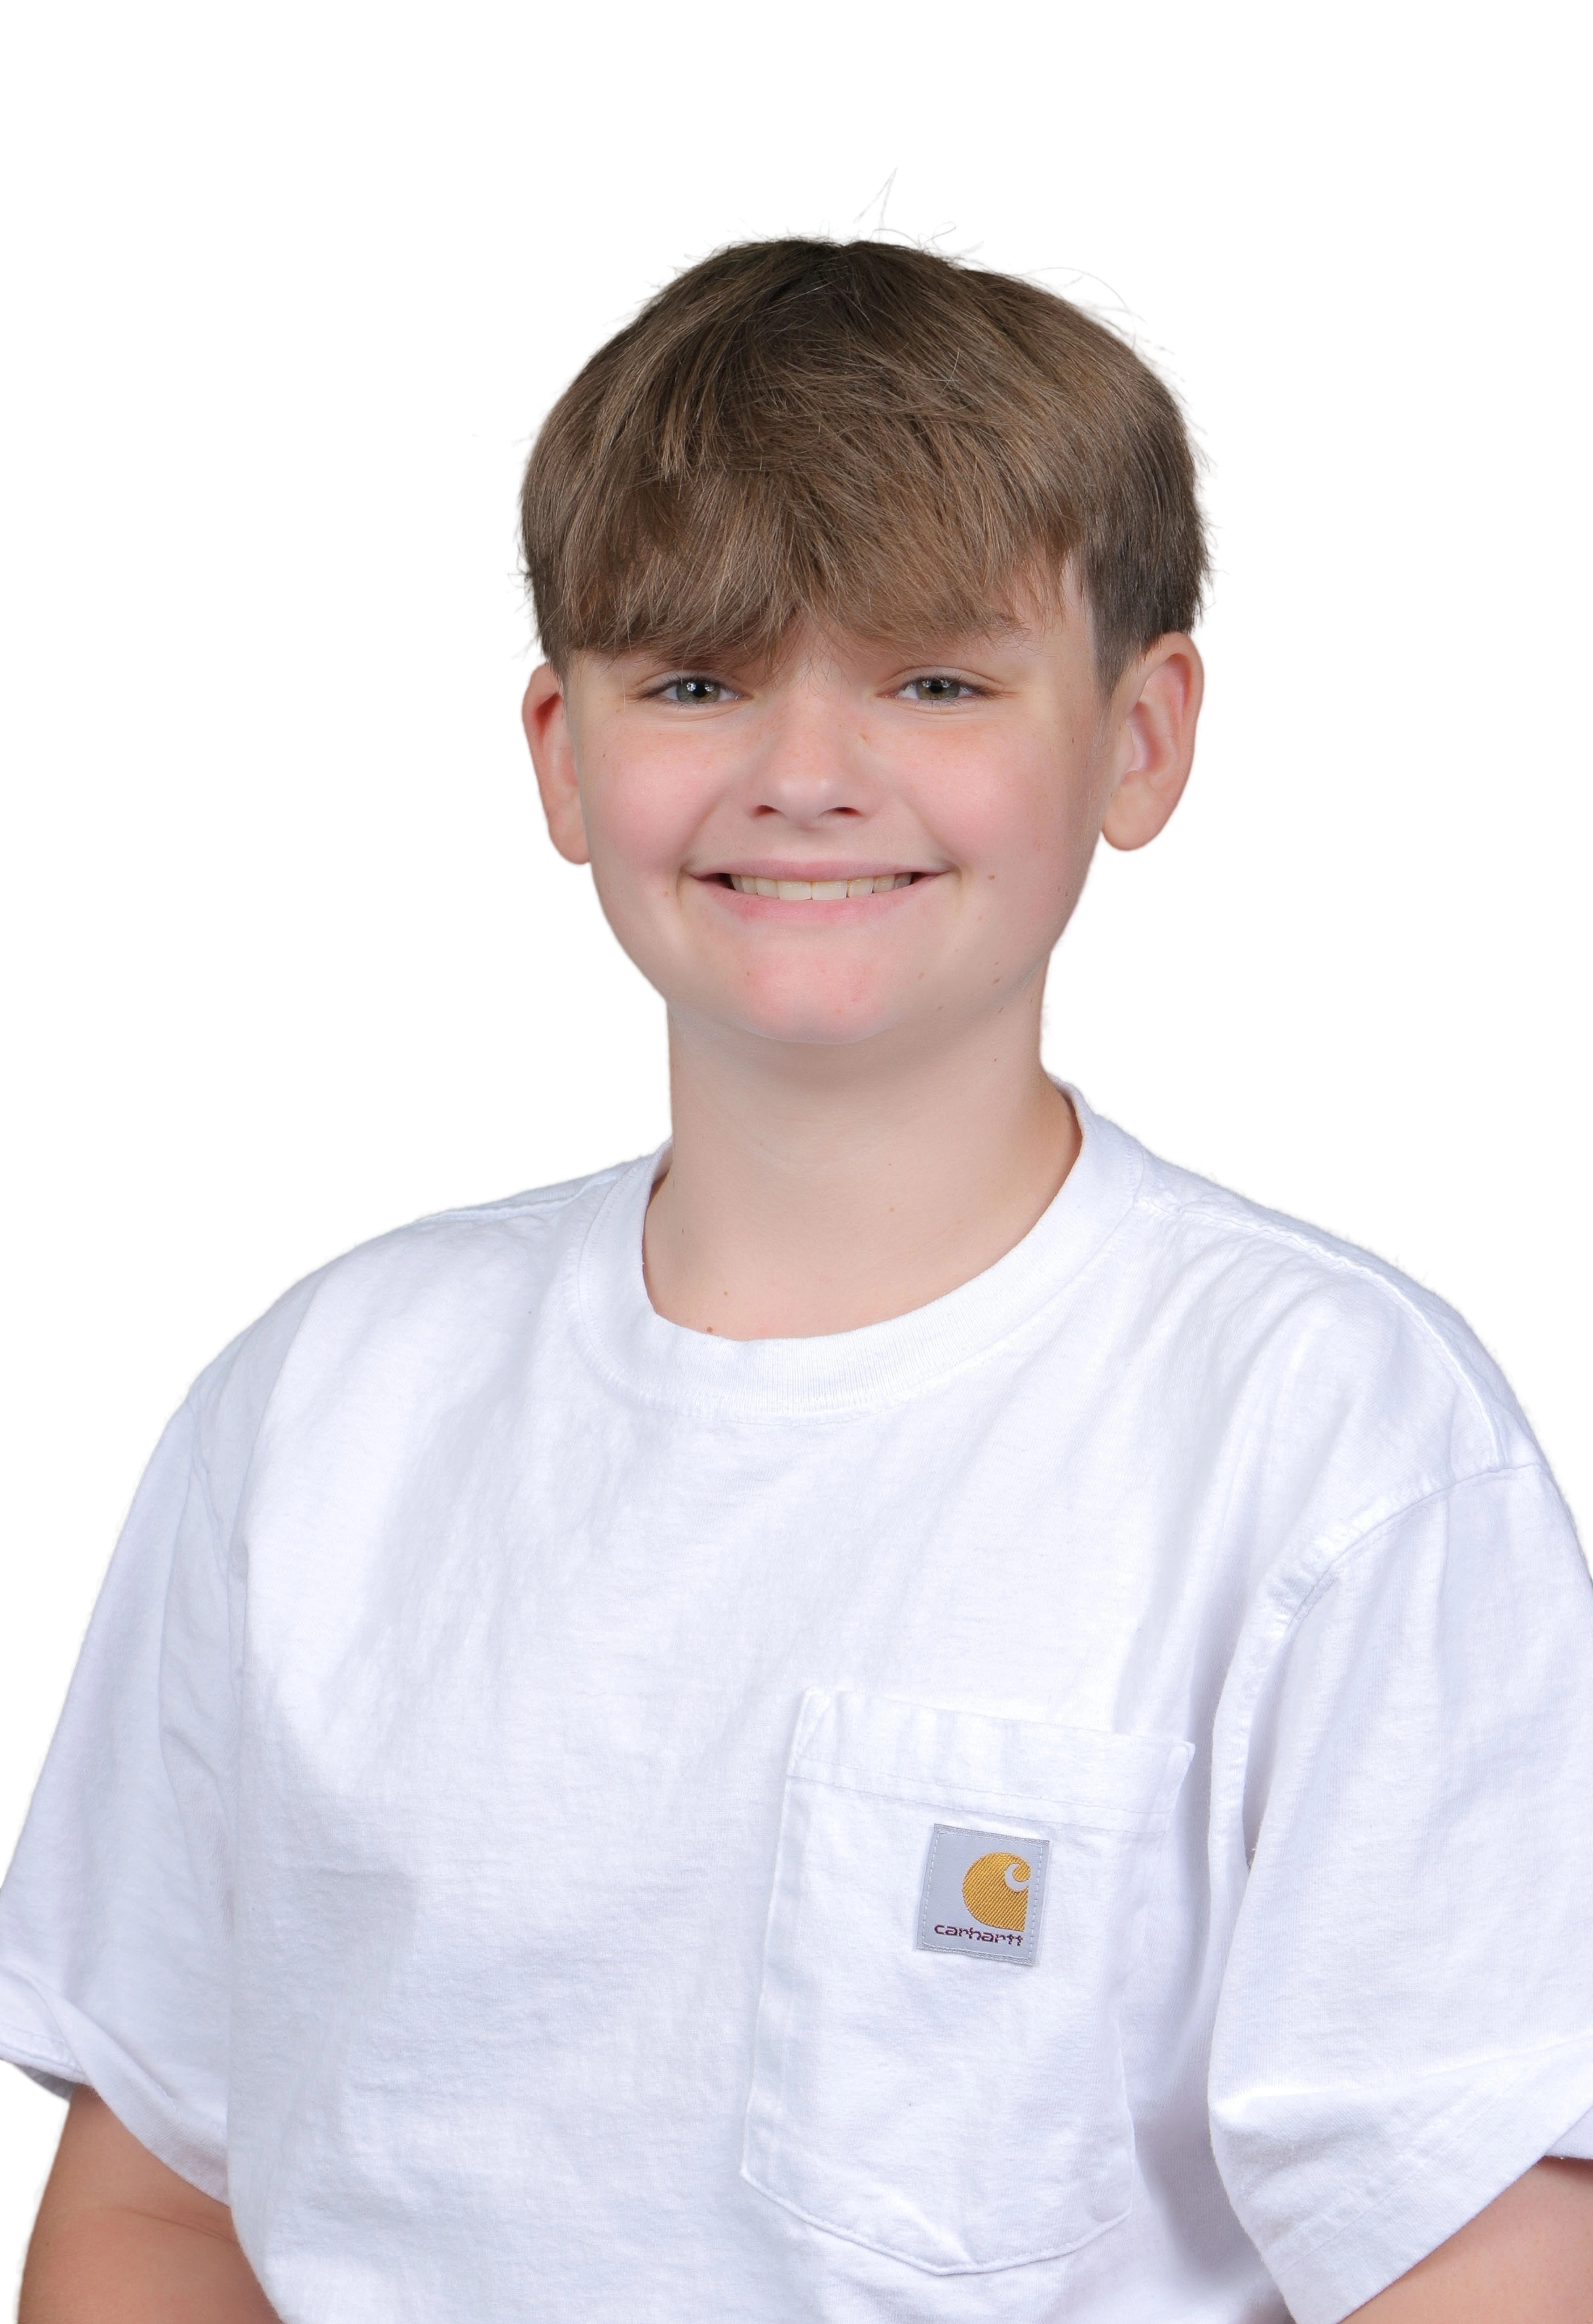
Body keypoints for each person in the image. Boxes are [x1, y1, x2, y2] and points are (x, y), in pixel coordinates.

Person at [5, 190, 1593, 2324]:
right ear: (562, 756)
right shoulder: (326, 1399)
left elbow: (1483, 2257)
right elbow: (157, 2204)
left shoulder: (1329, 1432)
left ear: (1141, 738)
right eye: (698, 678)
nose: (808, 777)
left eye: (937, 677)